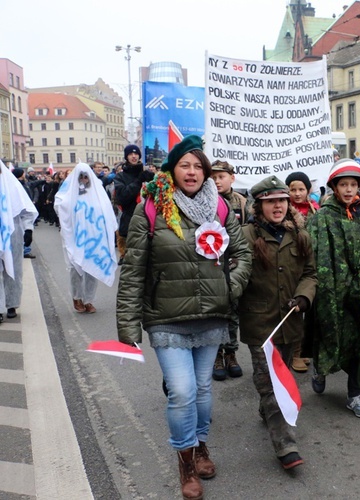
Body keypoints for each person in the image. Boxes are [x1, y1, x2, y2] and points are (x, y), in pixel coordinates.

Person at [117, 135, 252, 500]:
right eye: (184, 165)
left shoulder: (221, 207)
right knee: (182, 391)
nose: (191, 172)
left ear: (206, 172)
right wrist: (127, 324)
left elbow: (243, 253)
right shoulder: (151, 208)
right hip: (166, 316)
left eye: (198, 166)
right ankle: (186, 462)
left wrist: (229, 286)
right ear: (172, 170)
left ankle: (201, 444)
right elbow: (133, 270)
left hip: (211, 315)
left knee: (204, 390)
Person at [238, 175, 317, 470]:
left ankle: (266, 408)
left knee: (275, 378)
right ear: (259, 206)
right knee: (272, 383)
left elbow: (310, 273)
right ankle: (286, 444)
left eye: (282, 200)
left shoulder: (300, 235)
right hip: (260, 323)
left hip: (290, 322)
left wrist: (303, 297)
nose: (278, 206)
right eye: (271, 201)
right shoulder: (245, 236)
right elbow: (235, 273)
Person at [306, 159, 360, 419]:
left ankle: (355, 394)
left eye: (353, 185)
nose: (349, 189)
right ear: (334, 186)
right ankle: (321, 368)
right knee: (329, 333)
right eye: (344, 184)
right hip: (333, 294)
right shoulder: (322, 217)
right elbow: (315, 254)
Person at [54, 163, 118, 314]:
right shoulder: (68, 194)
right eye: (80, 177)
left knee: (91, 269)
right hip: (75, 238)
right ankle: (77, 297)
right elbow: (59, 206)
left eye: (86, 177)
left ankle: (89, 299)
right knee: (75, 269)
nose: (83, 179)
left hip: (94, 239)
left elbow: (107, 212)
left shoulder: (97, 193)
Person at [209, 160, 252, 381]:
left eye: (221, 177)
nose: (217, 181)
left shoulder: (242, 202)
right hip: (212, 265)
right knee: (216, 313)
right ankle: (215, 355)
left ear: (232, 178)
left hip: (233, 265)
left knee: (233, 313)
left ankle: (231, 353)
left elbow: (249, 231)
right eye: (213, 177)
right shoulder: (205, 201)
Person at [284, 171, 320, 373]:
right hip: (291, 265)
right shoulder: (284, 211)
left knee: (310, 310)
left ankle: (304, 350)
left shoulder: (316, 212)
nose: (297, 194)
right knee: (295, 310)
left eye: (301, 189)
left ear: (308, 190)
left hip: (311, 265)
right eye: (293, 189)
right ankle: (295, 353)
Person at [0, 161, 38, 321]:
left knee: (13, 269)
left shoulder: (12, 185)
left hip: (12, 232)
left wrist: (28, 229)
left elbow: (26, 209)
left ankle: (11, 304)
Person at [114, 144, 153, 263]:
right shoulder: (120, 176)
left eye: (136, 154)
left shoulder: (147, 173)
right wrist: (138, 182)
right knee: (132, 261)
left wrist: (153, 179)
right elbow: (122, 197)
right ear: (126, 157)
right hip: (129, 221)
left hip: (149, 221)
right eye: (130, 154)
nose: (134, 156)